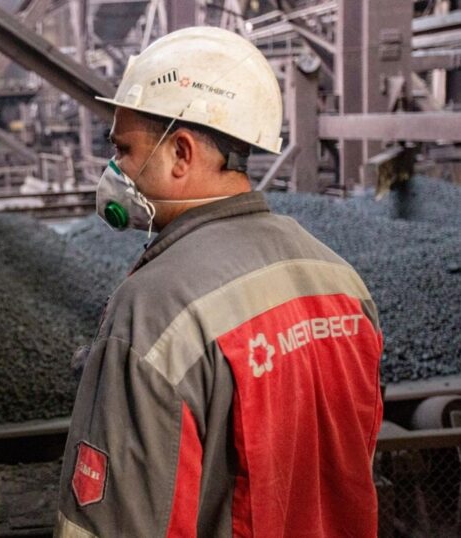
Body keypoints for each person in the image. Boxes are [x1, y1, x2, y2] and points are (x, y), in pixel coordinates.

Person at [55, 27, 383, 537]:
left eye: (125, 149)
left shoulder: (153, 307)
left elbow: (115, 522)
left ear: (181, 153)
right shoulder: (341, 280)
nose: (115, 169)